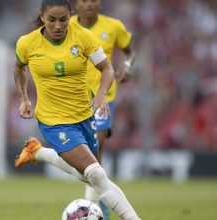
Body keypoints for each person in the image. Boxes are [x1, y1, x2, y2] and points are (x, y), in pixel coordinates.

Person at [13, 0, 141, 220]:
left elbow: (107, 68)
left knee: (91, 176)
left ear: (69, 15)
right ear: (42, 17)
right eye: (52, 20)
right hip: (53, 121)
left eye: (63, 19)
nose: (58, 26)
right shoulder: (27, 43)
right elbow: (18, 68)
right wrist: (24, 98)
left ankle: (39, 152)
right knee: (97, 173)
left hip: (84, 115)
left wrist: (101, 94)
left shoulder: (83, 36)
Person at [71, 0, 136, 219]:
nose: (89, 4)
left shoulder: (114, 26)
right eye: (84, 0)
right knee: (84, 153)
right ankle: (104, 193)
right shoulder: (66, 25)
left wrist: (127, 66)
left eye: (94, 0)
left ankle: (92, 201)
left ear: (100, 3)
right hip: (73, 97)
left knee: (95, 146)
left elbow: (129, 52)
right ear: (76, 4)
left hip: (103, 97)